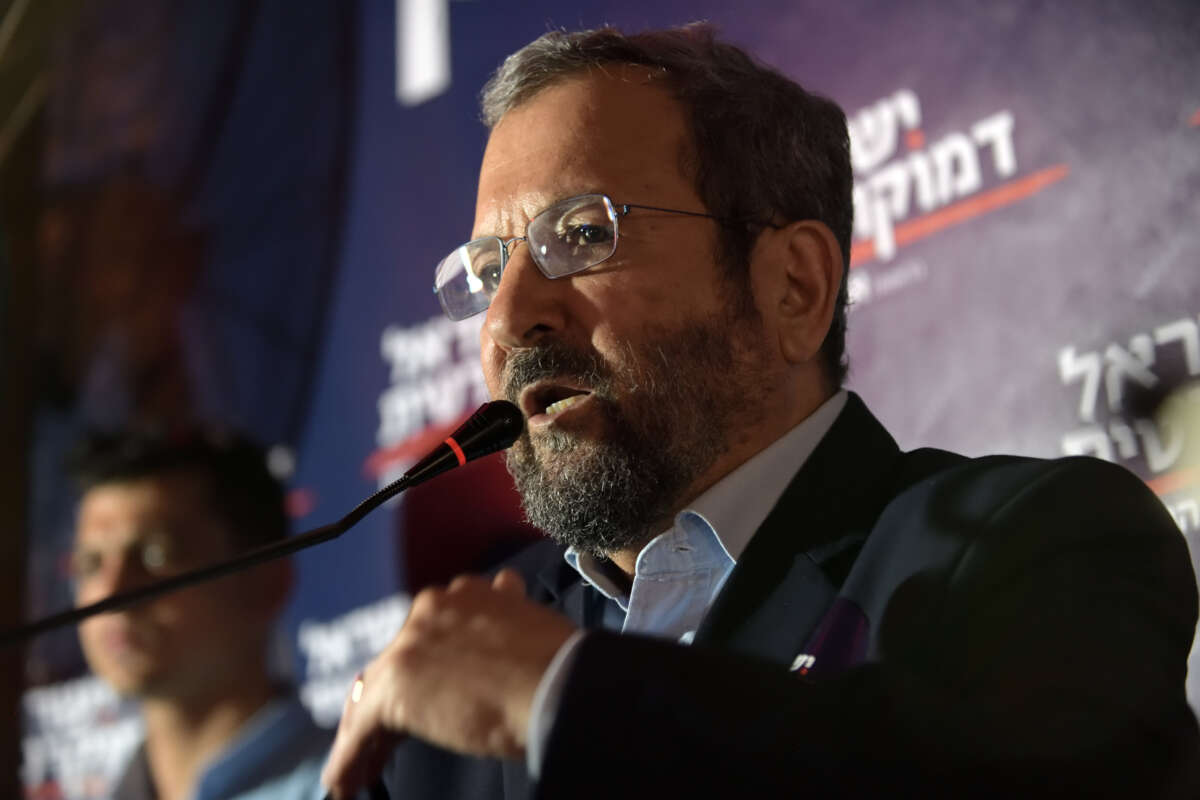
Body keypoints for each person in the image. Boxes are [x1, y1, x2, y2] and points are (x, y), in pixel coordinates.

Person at [321, 24, 1200, 799]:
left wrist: (557, 699)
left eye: (583, 235)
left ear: (793, 286)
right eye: (486, 271)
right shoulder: (447, 691)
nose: (511, 319)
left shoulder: (1039, 547)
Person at [70, 427, 330, 800]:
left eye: (156, 556)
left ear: (267, 583)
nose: (112, 594)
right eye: (91, 563)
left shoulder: (360, 782)